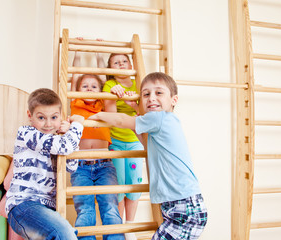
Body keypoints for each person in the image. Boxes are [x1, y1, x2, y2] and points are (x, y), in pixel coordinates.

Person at [88, 72, 208, 240]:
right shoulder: (163, 122)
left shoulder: (159, 119)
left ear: (174, 100)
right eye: (146, 94)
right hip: (181, 205)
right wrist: (136, 107)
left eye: (159, 93)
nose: (151, 98)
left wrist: (99, 116)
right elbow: (144, 141)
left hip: (184, 207)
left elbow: (123, 120)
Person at [5, 88, 84, 240]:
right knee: (63, 233)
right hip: (24, 205)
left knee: (66, 232)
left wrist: (68, 134)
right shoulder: (26, 133)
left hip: (46, 208)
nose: (48, 124)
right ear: (30, 115)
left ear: (61, 116)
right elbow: (65, 146)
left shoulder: (56, 140)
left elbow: (72, 166)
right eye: (41, 118)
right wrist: (78, 126)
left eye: (54, 117)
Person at [69, 48, 124, 240]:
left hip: (104, 165)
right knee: (85, 210)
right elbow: (75, 77)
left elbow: (103, 79)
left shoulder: (102, 103)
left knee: (110, 207)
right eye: (85, 86)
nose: (90, 89)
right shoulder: (75, 102)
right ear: (78, 89)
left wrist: (100, 55)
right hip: (80, 167)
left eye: (94, 86)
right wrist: (76, 54)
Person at [103, 54, 144, 239]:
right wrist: (114, 97)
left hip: (135, 140)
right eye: (115, 63)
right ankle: (119, 226)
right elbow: (111, 116)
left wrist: (131, 103)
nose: (120, 65)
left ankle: (130, 225)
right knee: (119, 183)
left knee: (134, 181)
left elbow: (143, 113)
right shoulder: (110, 86)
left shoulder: (139, 83)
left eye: (124, 61)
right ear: (110, 68)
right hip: (116, 140)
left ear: (131, 64)